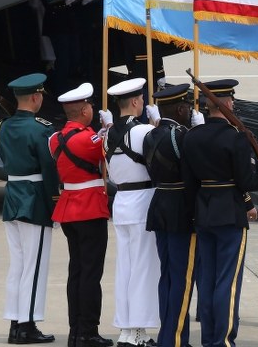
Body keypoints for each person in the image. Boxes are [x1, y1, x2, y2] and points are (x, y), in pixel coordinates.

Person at [180, 79, 258, 347]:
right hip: (229, 215)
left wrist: (195, 214)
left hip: (203, 214)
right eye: (232, 101)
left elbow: (190, 184)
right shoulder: (235, 138)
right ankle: (222, 340)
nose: (234, 105)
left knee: (208, 279)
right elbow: (247, 180)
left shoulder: (192, 136)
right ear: (226, 104)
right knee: (227, 281)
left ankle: (208, 338)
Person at [49, 82, 112, 347]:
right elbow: (109, 152)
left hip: (68, 207)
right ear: (84, 110)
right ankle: (88, 331)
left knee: (76, 270)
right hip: (89, 208)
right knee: (90, 274)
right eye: (91, 106)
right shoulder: (91, 139)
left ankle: (76, 330)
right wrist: (108, 129)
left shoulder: (53, 139)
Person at [141, 83, 204, 347]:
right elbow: (196, 172)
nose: (190, 110)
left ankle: (169, 334)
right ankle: (175, 339)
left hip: (160, 204)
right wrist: (199, 131)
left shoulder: (150, 135)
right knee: (182, 277)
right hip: (181, 209)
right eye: (188, 106)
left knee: (167, 275)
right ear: (180, 108)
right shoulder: (183, 136)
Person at [0, 73, 59, 344]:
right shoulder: (41, 129)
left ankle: (15, 321)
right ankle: (27, 326)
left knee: (19, 265)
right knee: (34, 267)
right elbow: (49, 170)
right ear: (35, 97)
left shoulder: (4, 126)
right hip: (34, 200)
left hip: (12, 197)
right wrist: (54, 203)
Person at [104, 78, 159, 347]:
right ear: (136, 102)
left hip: (122, 201)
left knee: (125, 268)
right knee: (142, 268)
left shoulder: (107, 134)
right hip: (142, 200)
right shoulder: (144, 131)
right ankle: (138, 332)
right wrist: (158, 126)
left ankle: (127, 329)